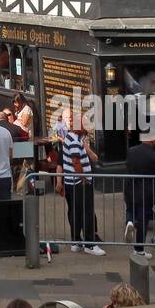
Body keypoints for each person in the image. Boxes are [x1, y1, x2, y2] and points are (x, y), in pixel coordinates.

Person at [56, 106, 103, 255]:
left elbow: (91, 158)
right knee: (87, 212)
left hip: (71, 183)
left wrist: (87, 148)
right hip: (79, 183)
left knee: (75, 212)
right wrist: (83, 177)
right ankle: (90, 244)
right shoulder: (75, 140)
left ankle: (76, 241)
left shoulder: (73, 138)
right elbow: (76, 162)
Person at [123, 131, 155, 254]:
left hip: (130, 187)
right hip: (146, 191)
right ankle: (139, 249)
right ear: (153, 140)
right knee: (143, 219)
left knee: (130, 209)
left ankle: (130, 222)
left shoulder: (131, 151)